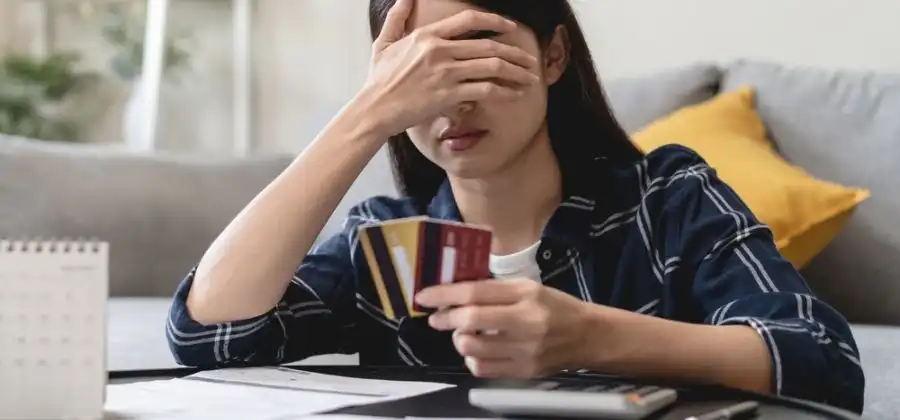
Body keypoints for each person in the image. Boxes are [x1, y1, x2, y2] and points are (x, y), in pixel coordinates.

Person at [165, 0, 865, 413]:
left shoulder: (667, 199)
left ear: (553, 56)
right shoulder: (385, 239)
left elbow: (824, 362)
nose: (453, 98)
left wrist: (592, 336)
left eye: (477, 54)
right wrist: (363, 118)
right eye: (420, 72)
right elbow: (210, 335)